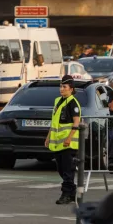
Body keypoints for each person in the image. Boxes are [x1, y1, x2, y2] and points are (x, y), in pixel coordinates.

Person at [46, 76, 81, 205]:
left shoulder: (73, 103)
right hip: (58, 143)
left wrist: (69, 137)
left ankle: (66, 194)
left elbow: (76, 122)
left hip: (69, 143)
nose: (61, 89)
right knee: (61, 169)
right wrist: (48, 137)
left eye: (64, 87)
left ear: (71, 89)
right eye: (61, 86)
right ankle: (72, 192)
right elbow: (54, 122)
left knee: (67, 170)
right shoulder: (58, 101)